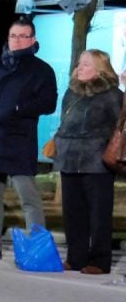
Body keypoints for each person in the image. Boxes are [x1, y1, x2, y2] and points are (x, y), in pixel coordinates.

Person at [0, 15, 57, 260]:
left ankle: (37, 248)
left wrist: (19, 109)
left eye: (23, 36)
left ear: (32, 39)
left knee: (28, 197)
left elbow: (48, 103)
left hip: (18, 142)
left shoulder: (41, 70)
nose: (17, 41)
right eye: (13, 36)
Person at [51, 50, 121, 274]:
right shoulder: (71, 93)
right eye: (80, 63)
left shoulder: (113, 95)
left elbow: (118, 127)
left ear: (100, 69)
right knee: (73, 212)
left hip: (96, 161)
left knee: (99, 214)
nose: (79, 68)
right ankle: (76, 257)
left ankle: (100, 260)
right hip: (69, 158)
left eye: (86, 64)